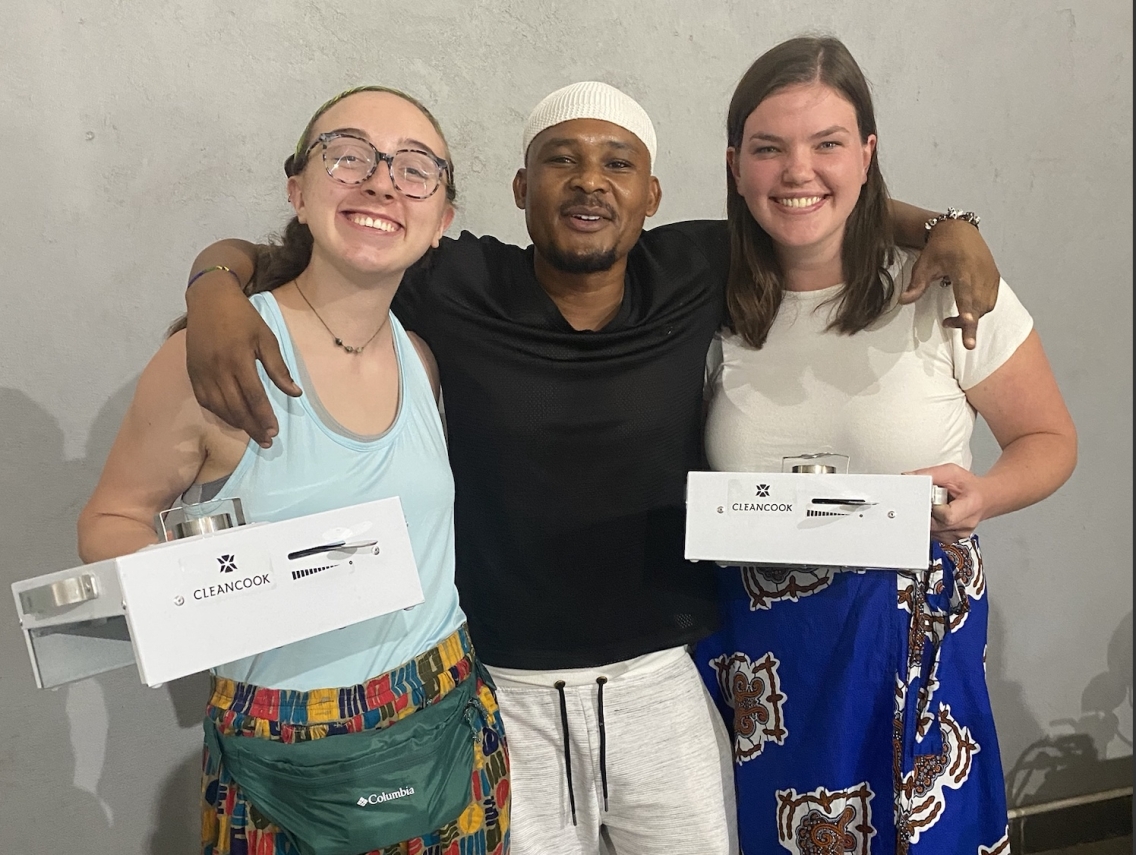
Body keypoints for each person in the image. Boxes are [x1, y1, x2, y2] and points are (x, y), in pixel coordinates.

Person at [180, 81, 1002, 854]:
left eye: (618, 162)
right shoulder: (452, 279)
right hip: (500, 686)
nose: (588, 181)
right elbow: (303, 246)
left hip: (662, 680)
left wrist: (943, 226)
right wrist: (215, 282)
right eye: (561, 158)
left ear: (651, 194)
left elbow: (814, 206)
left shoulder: (696, 267)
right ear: (518, 187)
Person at [78, 86, 510, 855]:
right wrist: (224, 584)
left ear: (442, 220)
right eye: (348, 155)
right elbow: (109, 523)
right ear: (298, 191)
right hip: (284, 746)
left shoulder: (420, 357)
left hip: (447, 718)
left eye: (415, 169)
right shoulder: (214, 357)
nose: (381, 181)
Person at [696, 36, 1077, 854]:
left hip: (913, 659)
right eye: (770, 148)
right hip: (764, 676)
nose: (798, 170)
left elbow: (1048, 438)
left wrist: (989, 494)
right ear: (736, 165)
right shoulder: (701, 294)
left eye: (828, 144)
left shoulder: (950, 287)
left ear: (867, 154)